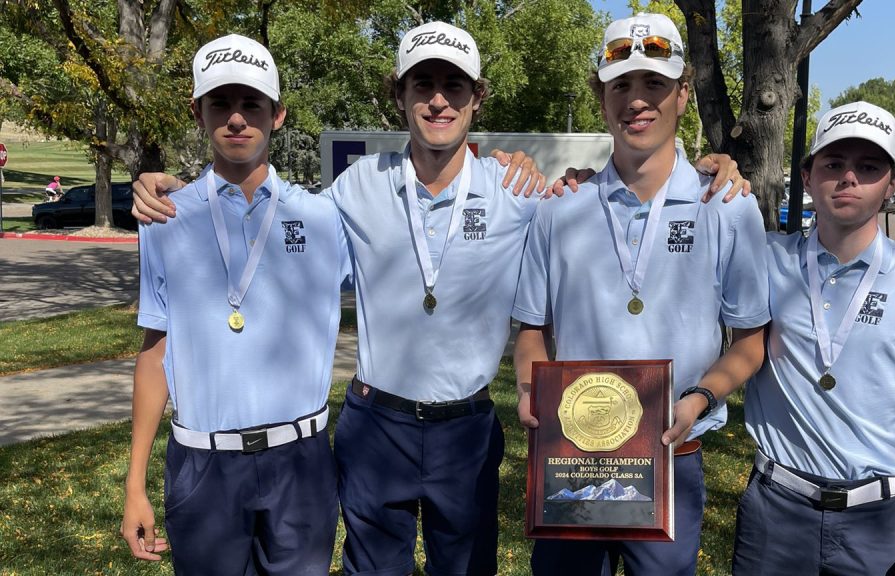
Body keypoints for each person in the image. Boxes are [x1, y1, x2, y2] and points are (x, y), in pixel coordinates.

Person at [130, 21, 747, 576]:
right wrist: (177, 192)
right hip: (376, 426)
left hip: (467, 431)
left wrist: (692, 168)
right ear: (399, 96)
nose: (438, 100)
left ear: (477, 98)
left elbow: (585, 200)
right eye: (422, 85)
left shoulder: (518, 192)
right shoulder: (355, 187)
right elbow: (267, 216)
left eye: (454, 86)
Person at [512, 13, 769, 576]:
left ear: (683, 94)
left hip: (673, 456)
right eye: (620, 85)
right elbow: (532, 332)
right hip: (572, 458)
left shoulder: (727, 207)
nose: (636, 100)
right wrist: (530, 389)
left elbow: (751, 341)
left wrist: (699, 398)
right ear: (601, 99)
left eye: (654, 83)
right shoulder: (559, 210)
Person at [120, 34, 350, 575]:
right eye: (221, 103)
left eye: (253, 104)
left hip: (301, 461)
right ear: (198, 113)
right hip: (203, 464)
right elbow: (156, 350)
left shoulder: (323, 218)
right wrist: (135, 483)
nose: (238, 118)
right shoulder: (165, 217)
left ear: (278, 114)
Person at [729, 101, 895, 575]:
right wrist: (710, 170)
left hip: (877, 523)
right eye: (833, 164)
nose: (848, 177)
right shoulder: (765, 260)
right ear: (806, 176)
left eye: (869, 167)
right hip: (776, 513)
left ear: (892, 184)